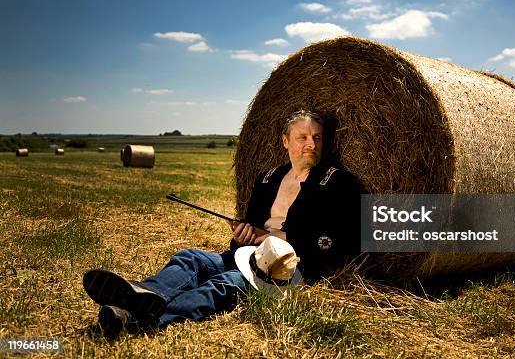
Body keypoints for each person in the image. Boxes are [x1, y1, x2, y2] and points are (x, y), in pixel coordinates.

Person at [82, 110, 363, 337]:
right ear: (285, 141)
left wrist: (284, 237)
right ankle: (145, 294)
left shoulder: (337, 183)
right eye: (302, 137)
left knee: (224, 283)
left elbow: (341, 239)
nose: (311, 144)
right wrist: (242, 236)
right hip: (249, 254)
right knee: (190, 258)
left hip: (289, 267)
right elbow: (250, 229)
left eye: (317, 137)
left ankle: (140, 320)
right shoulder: (268, 179)